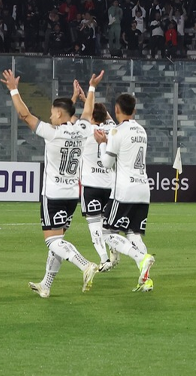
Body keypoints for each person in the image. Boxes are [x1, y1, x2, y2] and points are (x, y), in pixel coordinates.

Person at [0, 70, 98, 298]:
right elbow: (88, 112)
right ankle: (46, 284)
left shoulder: (52, 133)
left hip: (53, 194)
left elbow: (25, 115)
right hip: (72, 194)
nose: (50, 117)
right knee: (58, 241)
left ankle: (85, 264)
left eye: (53, 113)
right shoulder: (82, 130)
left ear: (60, 115)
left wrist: (13, 89)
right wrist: (90, 88)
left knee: (52, 241)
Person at [93, 91, 157, 292]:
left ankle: (141, 257)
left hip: (124, 190)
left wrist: (102, 144)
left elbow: (106, 163)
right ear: (134, 110)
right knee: (134, 234)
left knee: (107, 233)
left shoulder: (116, 133)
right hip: (143, 189)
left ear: (117, 109)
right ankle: (146, 280)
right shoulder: (142, 131)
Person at [71, 71, 117, 271]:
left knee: (94, 226)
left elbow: (70, 118)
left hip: (91, 186)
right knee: (108, 226)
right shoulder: (113, 130)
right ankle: (115, 249)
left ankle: (104, 259)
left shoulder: (85, 131)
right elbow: (105, 116)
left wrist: (79, 98)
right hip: (111, 186)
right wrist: (88, 98)